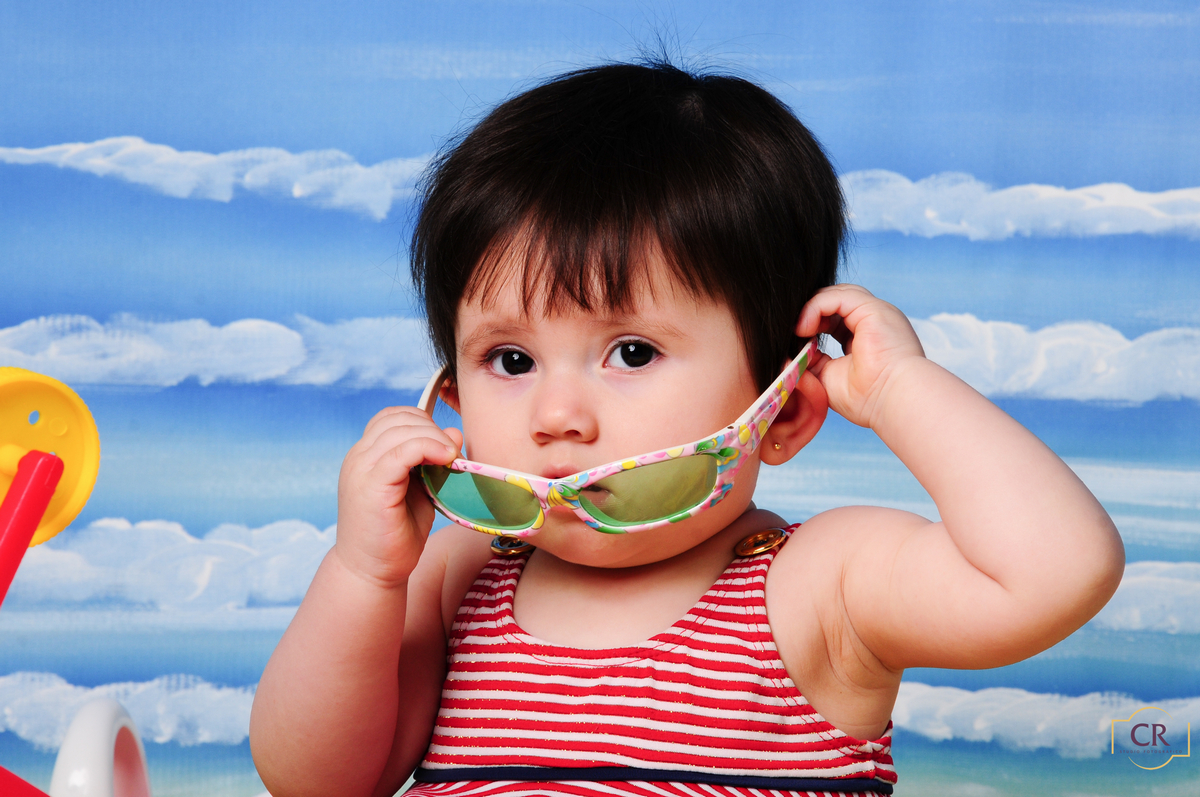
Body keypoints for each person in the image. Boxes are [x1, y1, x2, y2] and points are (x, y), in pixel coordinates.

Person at [249, 61, 1125, 797]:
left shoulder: (819, 587)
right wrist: (362, 574)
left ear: (784, 410)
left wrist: (900, 388)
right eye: (510, 360)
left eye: (631, 352)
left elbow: (1056, 572)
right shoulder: (456, 577)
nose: (556, 417)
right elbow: (317, 781)